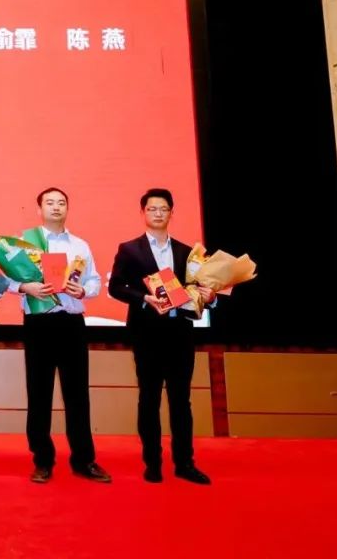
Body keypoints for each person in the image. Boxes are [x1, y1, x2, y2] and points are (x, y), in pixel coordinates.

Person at [107, 188, 214, 485]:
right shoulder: (129, 249)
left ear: (171, 213)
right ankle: (152, 463)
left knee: (182, 401)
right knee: (149, 398)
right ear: (143, 212)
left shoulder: (187, 253)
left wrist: (211, 297)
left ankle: (185, 463)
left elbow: (198, 291)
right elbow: (115, 287)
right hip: (147, 334)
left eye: (163, 209)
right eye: (152, 209)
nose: (158, 213)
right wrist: (144, 298)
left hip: (180, 334)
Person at [10, 188, 111, 484]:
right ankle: (42, 460)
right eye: (50, 203)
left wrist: (84, 290)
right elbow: (5, 279)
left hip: (71, 324)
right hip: (38, 324)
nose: (56, 207)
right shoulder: (25, 242)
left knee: (77, 394)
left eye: (61, 203)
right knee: (38, 394)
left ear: (67, 208)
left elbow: (94, 281)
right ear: (39, 209)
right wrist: (25, 287)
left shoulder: (80, 245)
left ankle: (84, 459)